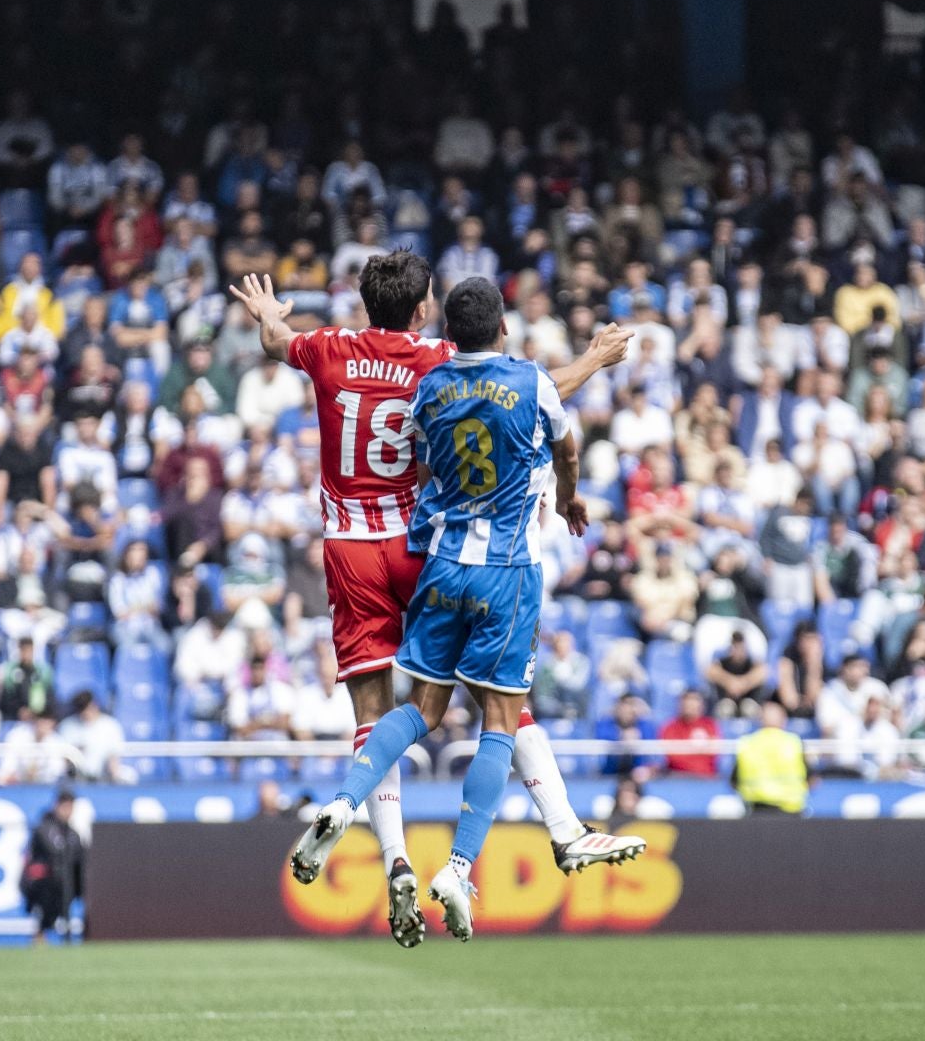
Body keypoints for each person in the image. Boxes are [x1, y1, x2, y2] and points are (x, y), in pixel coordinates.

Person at [230, 257, 638, 947]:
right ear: (422, 309)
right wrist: (596, 357)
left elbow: (277, 342)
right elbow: (536, 390)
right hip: (425, 546)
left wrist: (270, 314)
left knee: (374, 712)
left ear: (366, 304)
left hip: (350, 549)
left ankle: (388, 854)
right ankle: (553, 830)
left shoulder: (327, 347)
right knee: (500, 705)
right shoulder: (440, 362)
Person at [22, 789, 85, 942]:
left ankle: (65, 932)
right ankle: (40, 936)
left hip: (64, 883)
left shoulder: (72, 833)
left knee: (70, 883)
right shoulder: (45, 827)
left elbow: (78, 857)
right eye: (65, 806)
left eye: (70, 807)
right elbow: (52, 851)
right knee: (52, 892)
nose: (68, 811)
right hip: (42, 882)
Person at [734, 700, 809, 815]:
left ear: (760, 720)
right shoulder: (794, 743)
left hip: (756, 812)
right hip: (791, 813)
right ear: (783, 720)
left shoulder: (747, 743)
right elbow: (812, 778)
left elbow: (734, 781)